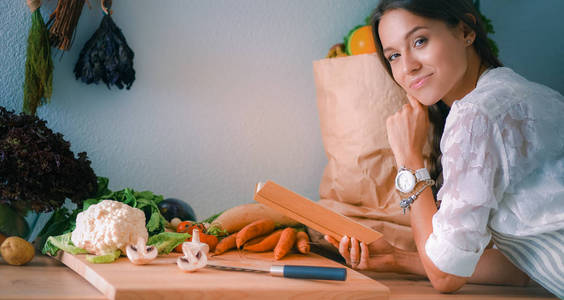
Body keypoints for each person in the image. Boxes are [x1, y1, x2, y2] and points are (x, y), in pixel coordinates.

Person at [324, 0, 564, 297]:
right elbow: (522, 268)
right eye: (395, 56)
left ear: (465, 31)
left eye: (420, 41)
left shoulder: (475, 115)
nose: (408, 66)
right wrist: (398, 259)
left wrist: (409, 159)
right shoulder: (531, 95)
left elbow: (446, 277)